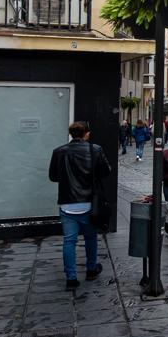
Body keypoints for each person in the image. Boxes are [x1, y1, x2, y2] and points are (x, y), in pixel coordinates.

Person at [48, 121, 111, 288]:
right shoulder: (95, 149)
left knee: (69, 241)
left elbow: (53, 176)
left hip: (67, 203)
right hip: (89, 203)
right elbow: (106, 171)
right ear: (87, 134)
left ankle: (71, 277)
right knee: (91, 237)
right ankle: (91, 269)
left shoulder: (59, 151)